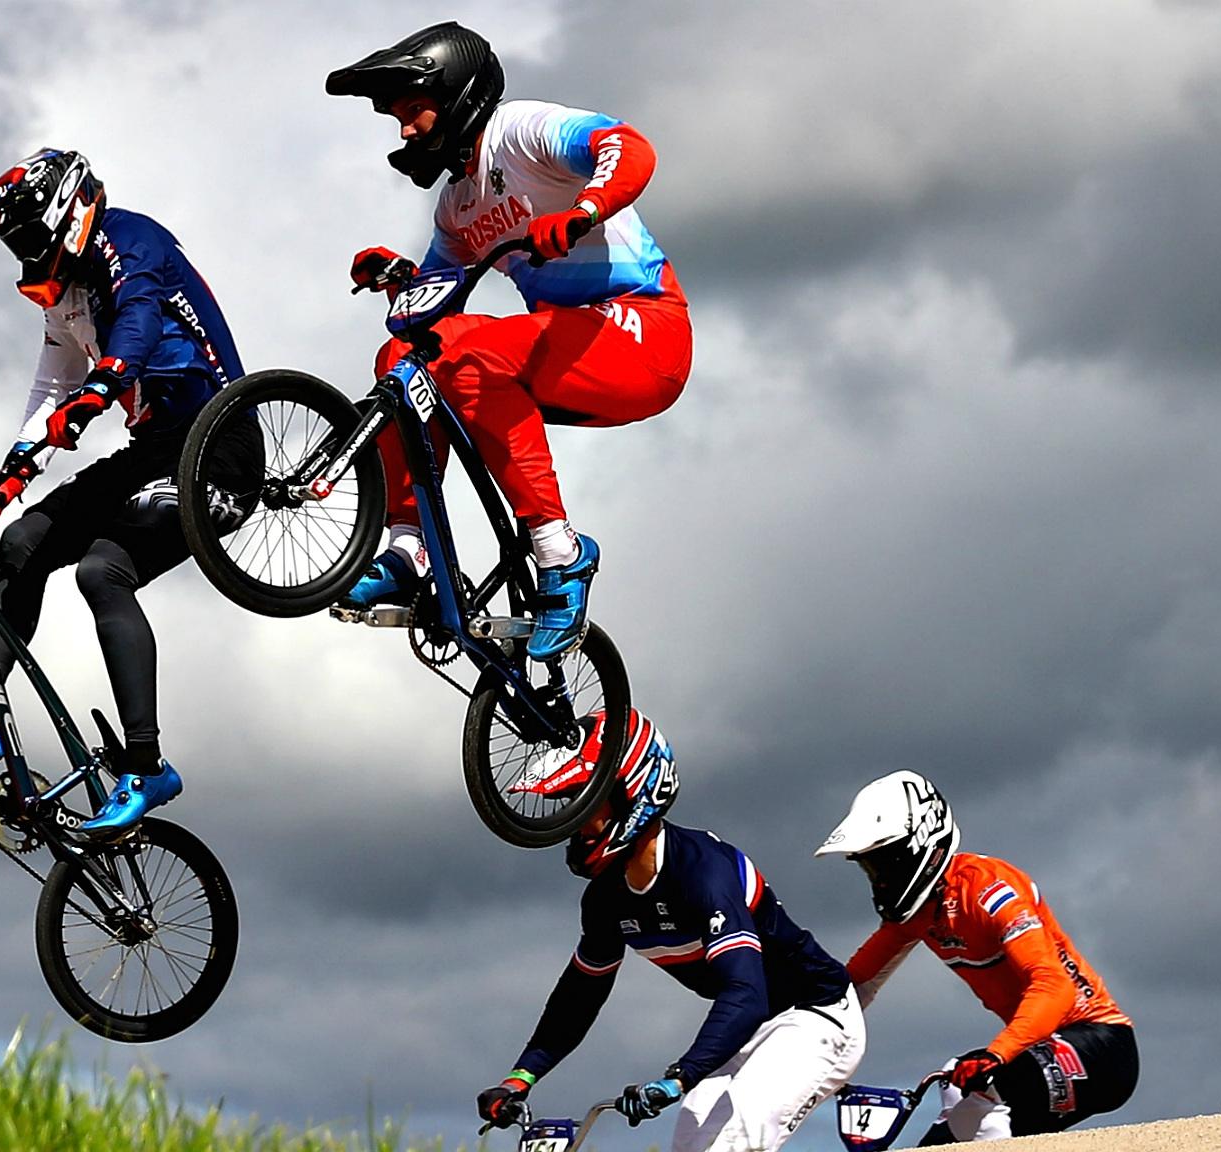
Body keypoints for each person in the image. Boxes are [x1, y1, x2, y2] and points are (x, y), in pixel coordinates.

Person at [0, 148, 255, 835]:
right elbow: (49, 391)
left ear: (65, 214)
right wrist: (7, 476)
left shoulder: (132, 238)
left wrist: (100, 391)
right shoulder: (67, 298)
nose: (22, 254)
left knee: (102, 572)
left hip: (219, 445)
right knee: (23, 539)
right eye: (13, 244)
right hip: (152, 450)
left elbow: (140, 331)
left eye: (26, 237)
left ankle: (147, 767)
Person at [325, 22, 691, 659]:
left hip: (646, 332)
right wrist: (398, 278)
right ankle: (410, 550)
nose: (406, 130)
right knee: (407, 361)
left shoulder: (519, 130)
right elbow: (429, 311)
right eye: (397, 119)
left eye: (414, 111)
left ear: (458, 92)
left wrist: (582, 213)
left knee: (466, 350)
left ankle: (561, 552)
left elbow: (629, 147)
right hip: (574, 353)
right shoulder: (456, 206)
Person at [476, 712, 865, 1151]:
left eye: (584, 803)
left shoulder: (704, 872)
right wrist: (520, 1078)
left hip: (815, 1012)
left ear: (632, 795)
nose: (573, 822)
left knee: (740, 1135)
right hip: (746, 1028)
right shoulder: (604, 899)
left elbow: (746, 993)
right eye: (568, 803)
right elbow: (578, 999)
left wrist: (681, 1076)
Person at [816, 772, 1138, 1143]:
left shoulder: (989, 889)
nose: (881, 882)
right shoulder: (916, 915)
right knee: (948, 1114)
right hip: (1038, 1051)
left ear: (923, 845)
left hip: (1102, 1047)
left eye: (885, 864)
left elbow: (1055, 987)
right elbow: (854, 985)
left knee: (975, 1083)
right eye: (870, 869)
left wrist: (997, 1055)